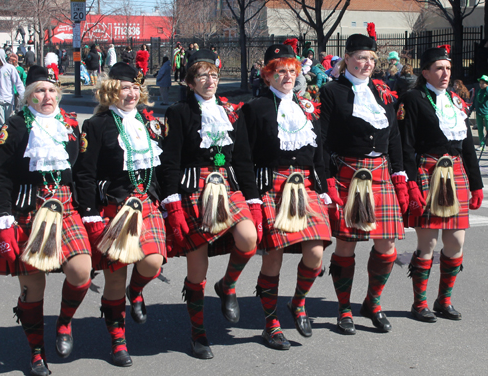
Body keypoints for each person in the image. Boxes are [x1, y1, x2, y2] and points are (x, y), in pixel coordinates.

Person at [0, 65, 92, 376]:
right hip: (27, 209)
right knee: (33, 286)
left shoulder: (70, 126)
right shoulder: (16, 127)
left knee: (81, 269)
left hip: (66, 207)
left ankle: (63, 322)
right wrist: (3, 218)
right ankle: (36, 352)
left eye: (50, 90)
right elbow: (2, 177)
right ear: (28, 96)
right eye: (39, 91)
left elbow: (83, 171)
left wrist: (91, 210)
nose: (46, 96)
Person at [161, 49, 260, 359]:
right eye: (202, 76)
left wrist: (252, 196)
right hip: (193, 189)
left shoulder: (232, 111)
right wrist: (172, 203)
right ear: (191, 82)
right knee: (197, 266)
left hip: (227, 185)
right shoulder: (179, 112)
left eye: (214, 75)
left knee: (249, 238)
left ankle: (228, 285)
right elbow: (171, 162)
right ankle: (198, 331)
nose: (210, 81)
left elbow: (242, 158)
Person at [241, 44, 333, 350]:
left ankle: (298, 302)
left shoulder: (307, 107)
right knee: (274, 259)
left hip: (305, 185)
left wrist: (322, 189)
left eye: (292, 70)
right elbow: (243, 158)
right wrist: (252, 198)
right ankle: (271, 324)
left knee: (316, 252)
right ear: (268, 75)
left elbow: (319, 154)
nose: (288, 76)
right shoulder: (255, 109)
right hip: (272, 186)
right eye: (280, 71)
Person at [74, 62, 165, 367]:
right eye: (125, 88)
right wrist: (89, 214)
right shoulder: (96, 126)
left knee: (152, 262)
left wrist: (165, 199)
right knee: (114, 279)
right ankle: (118, 340)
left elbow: (160, 167)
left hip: (147, 204)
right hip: (115, 207)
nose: (131, 93)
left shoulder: (148, 121)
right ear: (111, 92)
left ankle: (136, 290)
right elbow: (84, 174)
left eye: (135, 88)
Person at [319, 33, 407, 335]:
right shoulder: (331, 91)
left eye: (371, 58)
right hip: (348, 172)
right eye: (360, 57)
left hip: (381, 173)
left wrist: (400, 174)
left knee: (387, 245)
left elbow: (393, 136)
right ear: (347, 58)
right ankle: (344, 307)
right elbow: (323, 139)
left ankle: (373, 302)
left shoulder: (382, 91)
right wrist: (327, 178)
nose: (367, 63)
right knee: (346, 243)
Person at [397, 46, 483, 323]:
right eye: (438, 68)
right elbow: (406, 145)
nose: (445, 73)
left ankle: (444, 301)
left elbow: (467, 145)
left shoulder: (456, 101)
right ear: (425, 72)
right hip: (427, 172)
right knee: (428, 242)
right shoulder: (412, 99)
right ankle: (419, 303)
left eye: (447, 68)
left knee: (456, 242)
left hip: (455, 172)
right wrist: (410, 183)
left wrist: (477, 184)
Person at [0, 49, 25, 134]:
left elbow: (18, 83)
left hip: (8, 100)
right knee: (0, 125)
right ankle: (0, 144)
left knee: (8, 124)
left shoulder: (10, 68)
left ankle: (6, 143)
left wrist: (23, 96)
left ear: (1, 57)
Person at [473, 75, 488, 149]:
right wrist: (471, 108)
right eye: (480, 83)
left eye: (483, 83)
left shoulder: (487, 91)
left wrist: (487, 88)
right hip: (478, 112)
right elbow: (474, 100)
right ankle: (482, 144)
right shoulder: (478, 91)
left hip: (486, 113)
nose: (481, 85)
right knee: (480, 129)